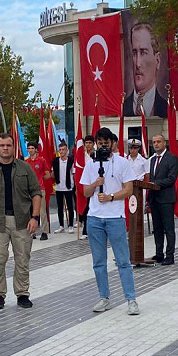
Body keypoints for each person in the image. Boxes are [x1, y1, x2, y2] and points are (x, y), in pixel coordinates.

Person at [0, 133, 42, 310]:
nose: (5, 148)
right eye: (2, 145)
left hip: (22, 221)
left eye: (8, 145)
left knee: (22, 259)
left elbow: (36, 193)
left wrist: (35, 217)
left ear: (14, 147)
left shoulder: (25, 168)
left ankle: (22, 294)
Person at [80, 127, 139, 314]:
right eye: (100, 142)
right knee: (98, 262)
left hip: (115, 218)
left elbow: (129, 189)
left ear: (113, 143)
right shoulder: (90, 164)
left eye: (106, 142)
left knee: (123, 260)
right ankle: (104, 297)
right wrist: (95, 184)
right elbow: (85, 192)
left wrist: (111, 196)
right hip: (95, 218)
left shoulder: (122, 163)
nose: (103, 145)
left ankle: (131, 299)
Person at [122, 22, 168, 117]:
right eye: (134, 53)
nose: (138, 64)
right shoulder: (122, 107)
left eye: (143, 52)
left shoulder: (167, 107)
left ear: (157, 60)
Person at [147, 134, 178, 265]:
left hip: (166, 198)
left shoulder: (171, 158)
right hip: (155, 199)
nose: (156, 144)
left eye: (159, 142)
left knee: (168, 228)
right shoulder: (153, 159)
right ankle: (159, 253)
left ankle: (170, 255)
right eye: (154, 142)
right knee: (157, 228)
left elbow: (172, 178)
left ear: (164, 143)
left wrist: (156, 184)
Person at [26, 144, 53, 240]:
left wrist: (40, 179)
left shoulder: (41, 160)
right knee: (30, 212)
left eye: (32, 148)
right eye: (29, 148)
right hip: (29, 190)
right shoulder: (26, 162)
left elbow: (47, 174)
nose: (30, 150)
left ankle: (44, 231)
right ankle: (32, 231)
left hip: (40, 189)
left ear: (36, 150)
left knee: (42, 211)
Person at [52, 142, 76, 233]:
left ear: (67, 150)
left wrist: (75, 186)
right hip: (58, 187)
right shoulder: (55, 161)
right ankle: (61, 225)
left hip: (68, 187)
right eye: (60, 150)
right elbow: (52, 173)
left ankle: (70, 225)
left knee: (70, 207)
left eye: (63, 150)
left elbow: (74, 174)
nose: (61, 151)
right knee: (60, 207)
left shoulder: (71, 161)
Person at [78, 135, 95, 239]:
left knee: (91, 207)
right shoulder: (81, 156)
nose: (88, 145)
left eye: (90, 143)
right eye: (86, 143)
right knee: (85, 207)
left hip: (95, 184)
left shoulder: (96, 155)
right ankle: (85, 229)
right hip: (85, 184)